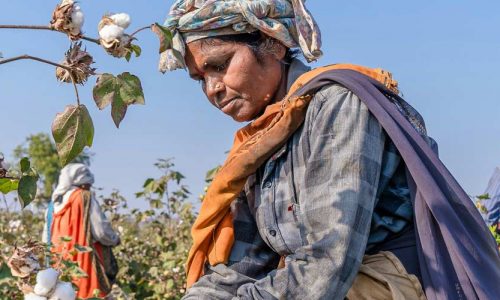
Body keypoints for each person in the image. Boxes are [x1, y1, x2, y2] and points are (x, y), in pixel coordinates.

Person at [160, 1, 500, 299]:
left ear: (272, 44)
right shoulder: (262, 143)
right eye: (199, 78)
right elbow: (243, 267)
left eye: (220, 65)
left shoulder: (338, 105)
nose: (212, 89)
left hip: (386, 284)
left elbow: (328, 263)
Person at [42, 163, 120, 299]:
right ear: (82, 184)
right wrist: (114, 239)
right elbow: (101, 232)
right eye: (88, 184)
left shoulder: (52, 206)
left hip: (59, 267)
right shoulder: (84, 198)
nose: (89, 187)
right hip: (85, 267)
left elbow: (45, 241)